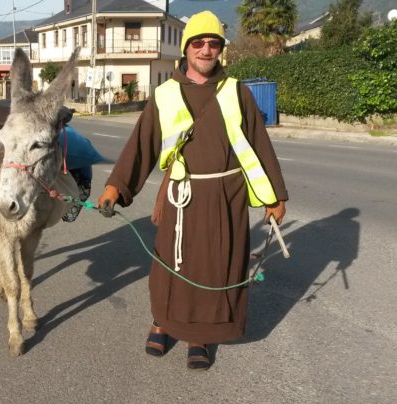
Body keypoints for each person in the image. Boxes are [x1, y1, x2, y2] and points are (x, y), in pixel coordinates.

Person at [96, 11, 288, 371]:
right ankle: (162, 322)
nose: (205, 49)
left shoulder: (237, 92)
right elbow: (142, 146)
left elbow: (259, 145)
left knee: (214, 268)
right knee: (170, 264)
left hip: (225, 197)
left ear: (220, 50)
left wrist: (275, 196)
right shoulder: (165, 95)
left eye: (212, 43)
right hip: (179, 197)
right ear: (186, 49)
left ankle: (200, 334)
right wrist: (114, 187)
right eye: (198, 43)